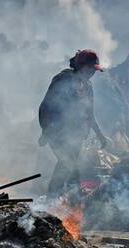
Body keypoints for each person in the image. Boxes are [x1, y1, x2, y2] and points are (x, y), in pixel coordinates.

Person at [38, 49, 107, 198]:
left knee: (73, 165)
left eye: (94, 70)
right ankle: (51, 198)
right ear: (81, 66)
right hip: (58, 132)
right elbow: (46, 107)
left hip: (76, 133)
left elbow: (90, 113)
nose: (93, 73)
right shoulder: (63, 80)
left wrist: (101, 135)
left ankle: (73, 198)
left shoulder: (88, 85)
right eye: (90, 69)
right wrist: (46, 131)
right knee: (67, 162)